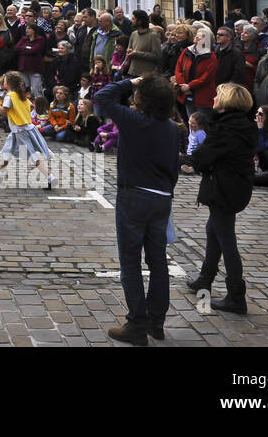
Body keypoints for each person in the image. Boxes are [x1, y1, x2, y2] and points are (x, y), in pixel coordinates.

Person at [93, 73, 179, 346]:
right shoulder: (171, 127)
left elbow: (102, 96)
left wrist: (132, 81)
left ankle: (137, 325)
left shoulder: (135, 121)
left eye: (138, 94)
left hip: (134, 195)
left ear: (146, 99)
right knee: (158, 262)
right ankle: (156, 321)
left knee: (130, 262)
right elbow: (174, 167)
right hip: (162, 196)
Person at [185, 83, 259, 314]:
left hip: (224, 188)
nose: (214, 97)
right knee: (213, 231)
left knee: (226, 240)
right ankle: (204, 279)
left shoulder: (226, 128)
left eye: (218, 94)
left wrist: (184, 160)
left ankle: (236, 295)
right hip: (235, 185)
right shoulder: (243, 125)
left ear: (227, 100)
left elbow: (204, 157)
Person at [0, 71, 55, 188]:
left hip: (20, 131)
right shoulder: (20, 95)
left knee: (33, 156)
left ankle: (51, 177)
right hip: (23, 129)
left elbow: (2, 111)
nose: (3, 82)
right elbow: (31, 107)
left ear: (8, 83)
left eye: (4, 81)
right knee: (7, 151)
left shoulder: (10, 96)